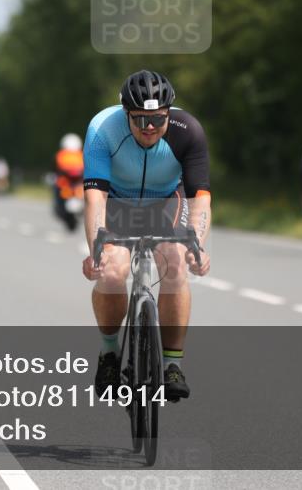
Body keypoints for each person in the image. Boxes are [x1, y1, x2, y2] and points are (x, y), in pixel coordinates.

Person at [81, 70, 212, 402]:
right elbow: (95, 197)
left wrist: (196, 244)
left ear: (169, 112)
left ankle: (172, 365)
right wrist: (95, 248)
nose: (149, 127)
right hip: (117, 203)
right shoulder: (102, 130)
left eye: (157, 119)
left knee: (177, 265)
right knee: (112, 271)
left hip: (166, 201)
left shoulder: (189, 132)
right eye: (140, 119)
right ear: (126, 113)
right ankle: (109, 354)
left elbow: (201, 198)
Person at [53, 134, 85, 231]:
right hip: (72, 186)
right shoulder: (82, 155)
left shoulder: (60, 156)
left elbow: (54, 170)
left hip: (67, 186)